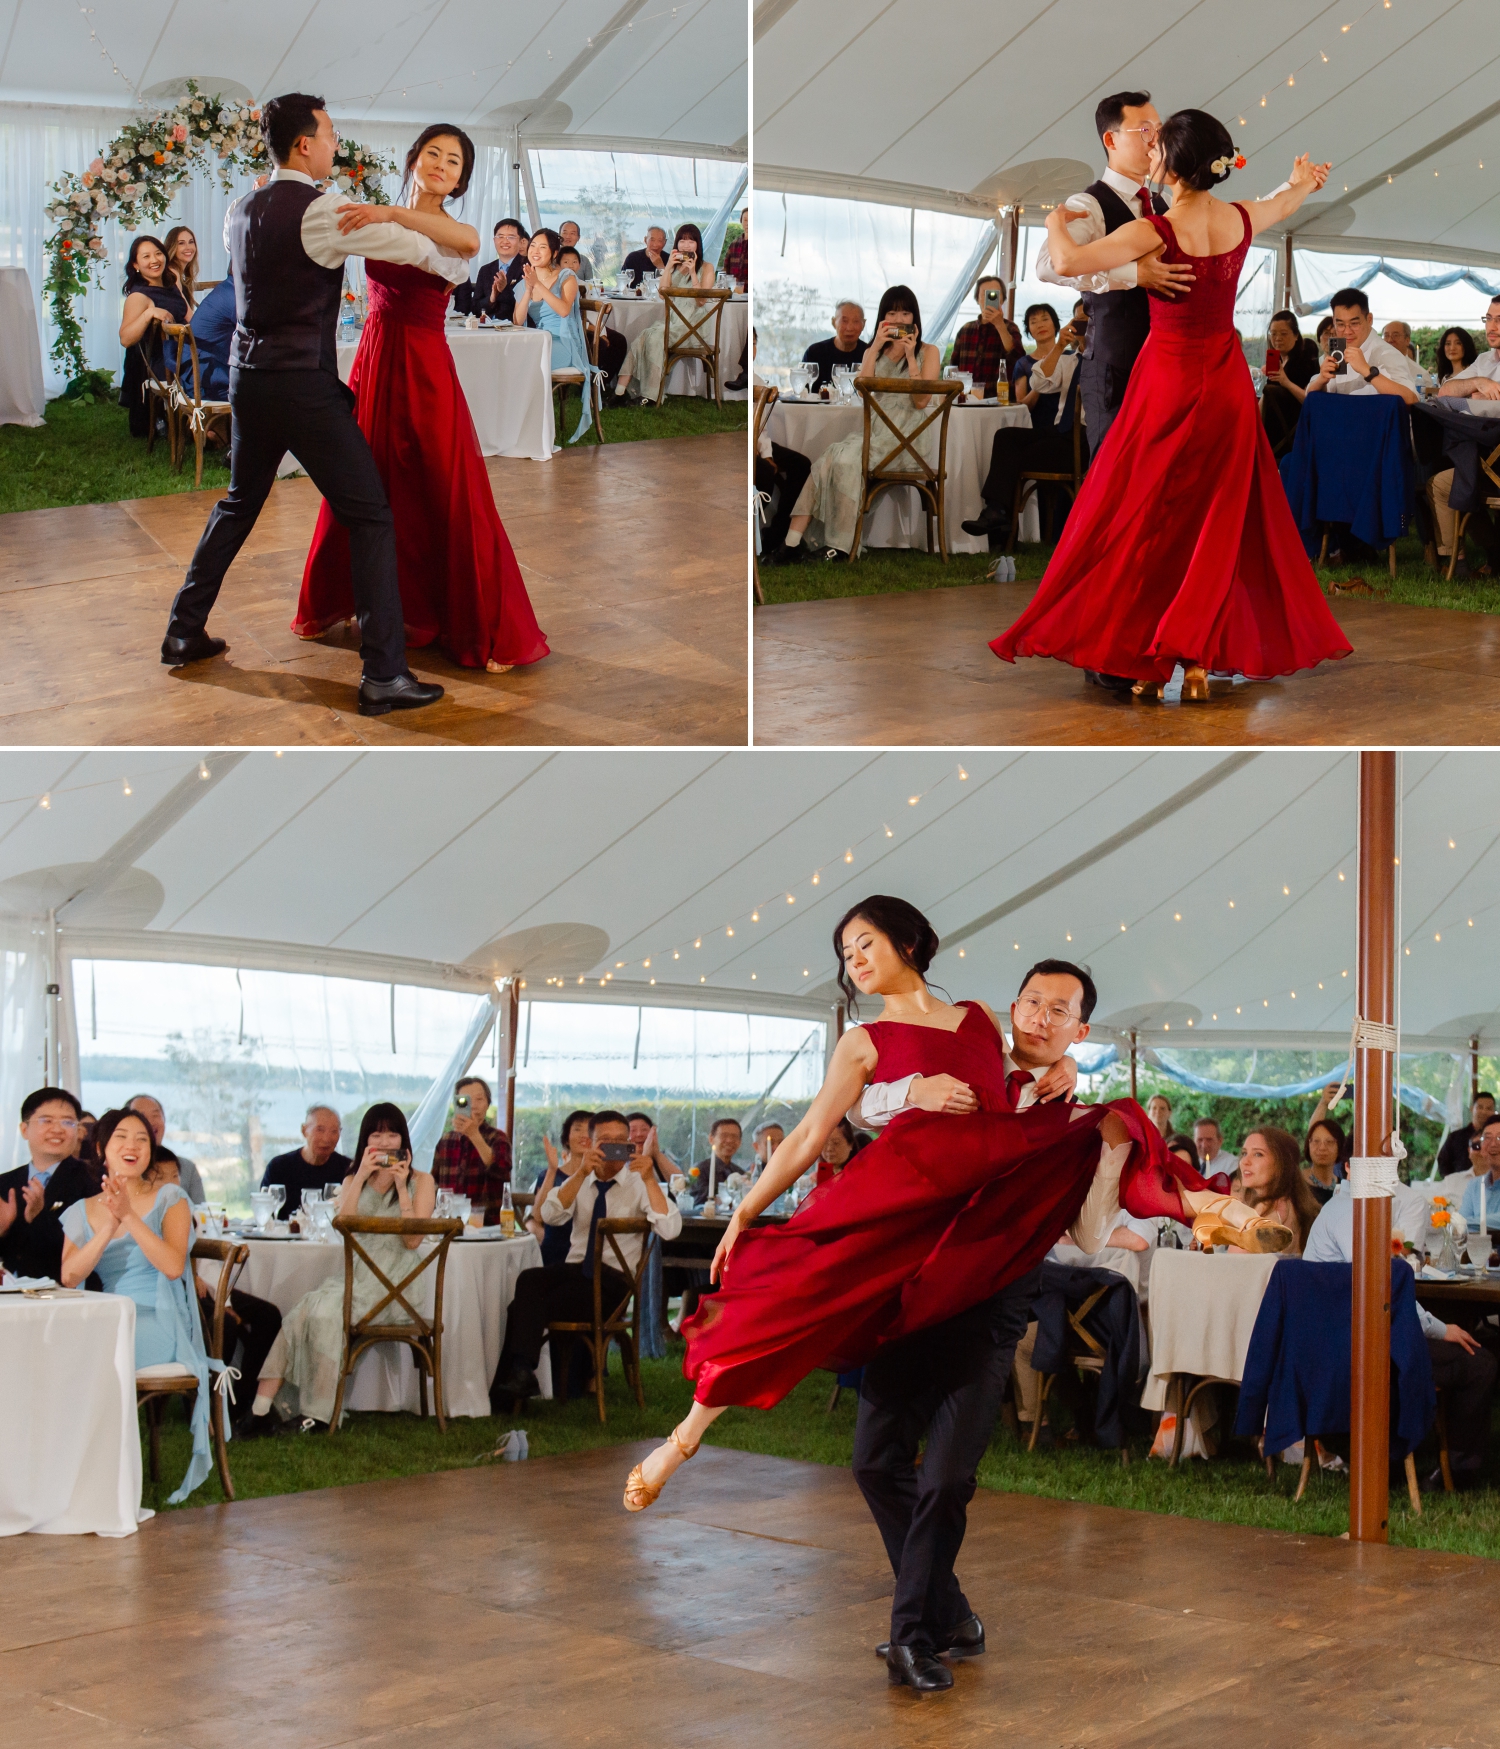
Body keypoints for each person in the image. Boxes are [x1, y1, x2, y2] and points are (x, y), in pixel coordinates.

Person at [621, 900, 1290, 1695]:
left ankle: (911, 1635)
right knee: (872, 1460)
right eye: (846, 949)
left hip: (989, 1289)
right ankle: (950, 1611)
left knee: (943, 1477)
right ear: (1015, 1009)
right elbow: (831, 1124)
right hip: (911, 1269)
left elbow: (1038, 1131)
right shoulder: (888, 1042)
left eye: (867, 941)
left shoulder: (998, 1046)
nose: (855, 957)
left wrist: (1055, 1083)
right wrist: (759, 1200)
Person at [991, 111, 1350, 700]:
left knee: (1141, 508)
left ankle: (1144, 657)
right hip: (1228, 383)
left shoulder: (1158, 227)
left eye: (1158, 148)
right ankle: (1199, 660)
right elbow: (1284, 205)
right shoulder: (1238, 219)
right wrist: (1302, 181)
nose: (1150, 153)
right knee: (1217, 517)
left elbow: (1067, 263)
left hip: (1170, 379)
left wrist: (1054, 220)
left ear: (1171, 164)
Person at [163, 94, 451, 718]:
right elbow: (421, 253)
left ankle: (184, 629)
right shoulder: (324, 212)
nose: (334, 144)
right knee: (371, 514)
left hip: (247, 378)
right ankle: (384, 674)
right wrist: (453, 243)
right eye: (329, 134)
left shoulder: (239, 208)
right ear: (304, 145)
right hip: (301, 385)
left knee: (239, 503)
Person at [295, 124, 550, 672]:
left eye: (453, 161)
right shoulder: (370, 216)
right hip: (373, 357)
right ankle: (351, 599)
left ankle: (481, 623)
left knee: (445, 483)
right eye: (432, 153)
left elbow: (468, 246)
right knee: (364, 481)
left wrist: (390, 214)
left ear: (460, 179)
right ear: (414, 160)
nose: (441, 164)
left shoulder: (455, 230)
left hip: (424, 363)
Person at [60, 1108, 218, 1499]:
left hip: (158, 1318)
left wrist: (129, 1216)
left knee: (91, 1364)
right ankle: (68, 1478)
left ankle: (103, 1483)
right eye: (121, 1138)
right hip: (110, 1316)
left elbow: (170, 1265)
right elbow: (69, 1276)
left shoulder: (171, 1198)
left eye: (142, 1139)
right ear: (101, 1148)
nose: (132, 1146)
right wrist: (108, 1227)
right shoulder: (84, 1210)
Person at [247, 1103, 434, 1432]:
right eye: (377, 1134)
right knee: (300, 1313)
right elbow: (343, 1225)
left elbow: (413, 1240)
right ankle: (261, 1411)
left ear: (403, 1139)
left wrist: (402, 1188)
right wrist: (361, 1174)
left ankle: (319, 1415)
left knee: (326, 1314)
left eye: (393, 1134)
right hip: (357, 1277)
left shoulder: (422, 1180)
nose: (386, 1141)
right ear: (366, 1141)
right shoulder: (354, 1178)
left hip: (397, 1286)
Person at [1034, 91, 1198, 456]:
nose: (1155, 139)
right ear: (1111, 139)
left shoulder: (1164, 202)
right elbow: (1048, 265)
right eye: (1144, 130)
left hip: (1165, 361)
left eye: (1158, 129)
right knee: (1114, 472)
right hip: (1113, 362)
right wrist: (1132, 274)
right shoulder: (1088, 203)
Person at [1305, 1179, 1497, 1487]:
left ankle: (1399, 1456)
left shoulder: (1339, 1208)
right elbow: (1379, 1289)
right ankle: (1454, 1472)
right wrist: (1438, 1328)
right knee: (1479, 1363)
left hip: (1333, 1341)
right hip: (1358, 1346)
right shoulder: (1353, 1216)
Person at [489, 1109, 682, 1409]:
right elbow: (550, 1215)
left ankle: (512, 1386)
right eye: (605, 1141)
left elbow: (670, 1229)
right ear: (590, 1143)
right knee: (528, 1281)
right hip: (576, 1272)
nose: (614, 1147)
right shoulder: (582, 1178)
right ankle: (520, 1376)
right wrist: (579, 1172)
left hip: (613, 1284)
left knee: (525, 1306)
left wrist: (650, 1180)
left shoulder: (638, 1180)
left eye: (622, 1141)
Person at [777, 285, 941, 563]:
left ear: (914, 317)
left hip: (908, 439)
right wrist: (876, 346)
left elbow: (922, 401)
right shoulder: (874, 352)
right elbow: (862, 391)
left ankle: (840, 547)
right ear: (882, 318)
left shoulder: (929, 351)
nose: (899, 319)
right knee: (827, 459)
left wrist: (911, 357)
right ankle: (791, 544)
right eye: (892, 312)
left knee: (848, 460)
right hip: (875, 432)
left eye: (905, 312)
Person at [961, 303, 1088, 547]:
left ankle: (1002, 526)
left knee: (1014, 454)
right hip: (1058, 433)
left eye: (1087, 319)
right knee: (1005, 437)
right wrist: (1061, 345)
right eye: (1078, 319)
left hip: (1084, 438)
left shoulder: (1104, 359)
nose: (1082, 324)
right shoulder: (1069, 360)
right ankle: (996, 511)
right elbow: (1039, 382)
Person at [1430, 298, 1500, 574]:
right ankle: (1460, 564)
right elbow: (1446, 391)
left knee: (1457, 482)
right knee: (1445, 483)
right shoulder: (1484, 360)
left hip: (1491, 458)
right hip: (1481, 459)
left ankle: (1494, 555)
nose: (1492, 327)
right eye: (1489, 319)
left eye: (1499, 320)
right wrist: (1478, 383)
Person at [0, 1088, 99, 1282]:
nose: (57, 1129)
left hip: (66, 1295)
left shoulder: (94, 1181)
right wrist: (2, 1229)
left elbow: (88, 1248)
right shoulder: (4, 1183)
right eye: (46, 1120)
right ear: (24, 1129)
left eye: (67, 1122)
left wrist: (40, 1216)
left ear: (79, 1131)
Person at [614, 224, 716, 404]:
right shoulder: (674, 266)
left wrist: (693, 272)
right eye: (682, 240)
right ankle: (619, 392)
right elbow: (662, 293)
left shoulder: (707, 268)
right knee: (643, 336)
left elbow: (701, 301)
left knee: (655, 338)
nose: (686, 245)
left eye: (690, 241)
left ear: (697, 244)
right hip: (672, 321)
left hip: (693, 325)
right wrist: (668, 266)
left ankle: (651, 396)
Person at [513, 225, 598, 440]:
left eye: (543, 247)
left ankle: (535, 430)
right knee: (511, 361)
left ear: (554, 253)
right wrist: (529, 289)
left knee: (527, 365)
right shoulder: (526, 279)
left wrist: (538, 286)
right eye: (533, 246)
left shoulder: (566, 277)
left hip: (563, 343)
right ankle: (516, 425)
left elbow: (563, 310)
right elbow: (518, 320)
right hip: (539, 340)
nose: (536, 251)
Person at [119, 234, 189, 439]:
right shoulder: (139, 295)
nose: (154, 260)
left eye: (158, 254)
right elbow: (125, 338)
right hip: (164, 361)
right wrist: (149, 313)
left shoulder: (169, 284)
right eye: (146, 256)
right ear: (136, 264)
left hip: (180, 352)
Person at [1233, 1127, 1321, 1253]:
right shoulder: (1293, 1203)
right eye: (1244, 1153)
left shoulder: (1272, 1210)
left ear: (1281, 1163)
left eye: (1258, 1154)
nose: (1245, 1161)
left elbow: (1232, 1262)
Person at [431, 1076, 512, 1210]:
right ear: (456, 1104)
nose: (473, 1105)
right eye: (465, 1100)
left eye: (479, 1099)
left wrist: (474, 1134)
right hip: (449, 1222)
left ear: (488, 1104)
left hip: (487, 1224)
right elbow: (434, 1181)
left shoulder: (498, 1138)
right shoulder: (446, 1140)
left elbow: (502, 1170)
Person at [260, 1104, 352, 1219]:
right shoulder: (279, 1167)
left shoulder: (348, 1169)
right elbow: (265, 1211)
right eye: (320, 1130)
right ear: (304, 1130)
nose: (327, 1138)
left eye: (334, 1131)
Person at [532, 1110, 594, 1265]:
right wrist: (552, 1170)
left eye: (590, 1130)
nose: (584, 1135)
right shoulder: (551, 1174)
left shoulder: (602, 1178)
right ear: (567, 1138)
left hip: (590, 1254)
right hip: (554, 1253)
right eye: (578, 1129)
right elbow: (538, 1217)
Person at [949, 276, 1026, 400]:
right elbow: (953, 367)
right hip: (967, 401)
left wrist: (1000, 325)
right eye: (985, 294)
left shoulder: (1010, 328)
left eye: (995, 294)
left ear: (1002, 299)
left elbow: (1018, 359)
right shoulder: (965, 330)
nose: (990, 297)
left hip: (1000, 401)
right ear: (977, 299)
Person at [1259, 309, 1321, 459]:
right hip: (1273, 432)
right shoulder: (1278, 363)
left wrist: (1285, 382)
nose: (1277, 338)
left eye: (1283, 333)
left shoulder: (1305, 363)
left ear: (1295, 335)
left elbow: (1310, 402)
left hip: (1291, 435)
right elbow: (1266, 398)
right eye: (1273, 334)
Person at [127, 1094, 205, 1203]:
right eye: (142, 1117)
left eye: (155, 1115)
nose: (150, 1122)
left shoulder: (187, 1168)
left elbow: (200, 1212)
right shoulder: (125, 1169)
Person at [457, 217, 529, 320]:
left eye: (511, 237)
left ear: (522, 242)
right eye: (500, 236)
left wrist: (504, 289)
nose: (505, 241)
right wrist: (491, 298)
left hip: (516, 328)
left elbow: (527, 305)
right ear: (494, 240)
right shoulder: (485, 270)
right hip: (487, 328)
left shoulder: (527, 267)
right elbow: (474, 308)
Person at [187, 276, 237, 399]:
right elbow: (262, 335)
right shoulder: (235, 297)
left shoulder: (227, 288)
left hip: (197, 374)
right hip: (206, 382)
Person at [801, 300, 868, 390]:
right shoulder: (815, 352)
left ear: (863, 324)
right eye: (844, 321)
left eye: (856, 321)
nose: (850, 328)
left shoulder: (869, 354)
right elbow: (803, 392)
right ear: (833, 322)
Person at [1457, 1116, 1500, 1237]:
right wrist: (1460, 1224)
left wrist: (1464, 1224)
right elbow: (1460, 1220)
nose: (1493, 1144)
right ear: (1482, 1149)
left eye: (1499, 1137)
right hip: (1476, 1253)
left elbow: (1460, 1224)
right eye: (1487, 1138)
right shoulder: (1474, 1185)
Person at [1437, 1091, 1497, 1177]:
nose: (1484, 1112)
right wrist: (1455, 1181)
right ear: (1472, 1109)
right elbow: (1443, 1162)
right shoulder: (1455, 1137)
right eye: (1480, 1107)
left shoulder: (1497, 1139)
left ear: (1494, 1112)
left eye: (1488, 1108)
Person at [688, 1117, 743, 1206]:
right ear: (711, 1139)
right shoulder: (698, 1170)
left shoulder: (740, 1173)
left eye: (734, 1137)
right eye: (724, 1135)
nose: (729, 1141)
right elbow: (699, 1201)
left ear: (740, 1142)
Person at [1302, 1115, 1350, 1205]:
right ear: (1308, 1145)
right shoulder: (1295, 1182)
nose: (1322, 1148)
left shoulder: (1344, 1188)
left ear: (1339, 1147)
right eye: (1316, 1141)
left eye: (1329, 1142)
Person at [162, 224, 202, 311]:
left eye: (191, 242)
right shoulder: (172, 273)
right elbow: (186, 312)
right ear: (172, 247)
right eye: (181, 243)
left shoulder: (177, 273)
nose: (188, 247)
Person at [722, 208, 749, 289]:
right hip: (736, 293)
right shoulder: (734, 244)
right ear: (741, 222)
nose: (748, 223)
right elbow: (726, 269)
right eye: (745, 220)